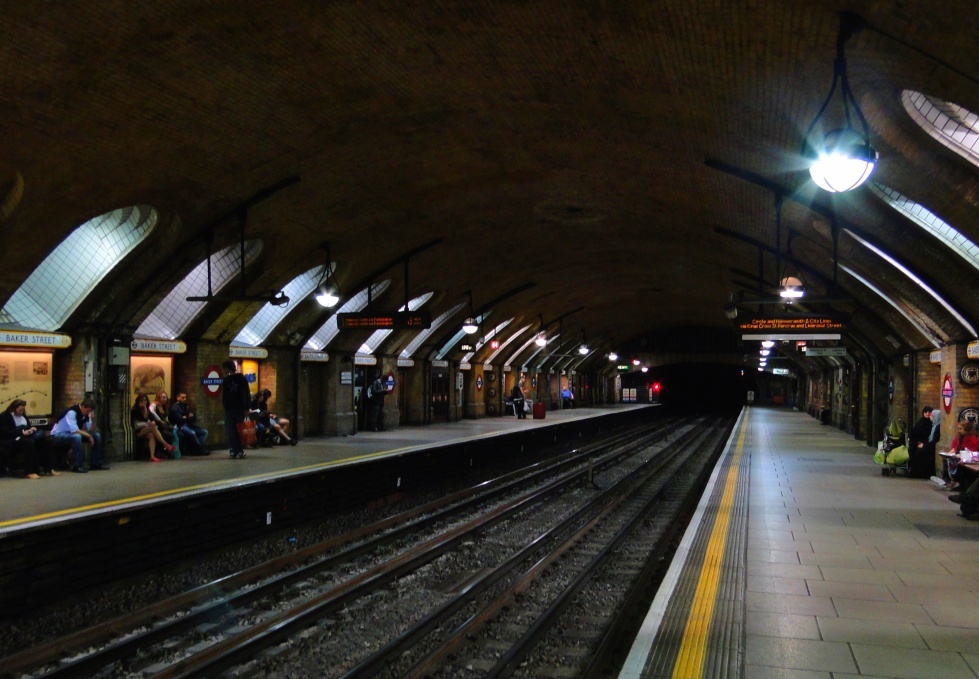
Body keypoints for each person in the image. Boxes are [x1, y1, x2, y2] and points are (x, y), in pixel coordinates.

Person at [0, 400, 58, 478]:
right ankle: (30, 471)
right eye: (20, 410)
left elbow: (27, 426)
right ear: (14, 408)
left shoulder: (23, 415)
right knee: (29, 443)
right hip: (11, 440)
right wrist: (21, 433)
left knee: (46, 441)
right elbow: (5, 433)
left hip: (24, 437)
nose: (21, 412)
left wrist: (31, 429)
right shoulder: (5, 416)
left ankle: (49, 469)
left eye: (23, 410)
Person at [50, 398, 109, 473]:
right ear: (83, 407)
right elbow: (74, 430)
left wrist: (93, 419)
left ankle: (95, 463)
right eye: (88, 411)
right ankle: (77, 465)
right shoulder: (72, 412)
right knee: (77, 437)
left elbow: (91, 430)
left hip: (71, 434)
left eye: (90, 411)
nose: (88, 413)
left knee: (97, 436)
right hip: (58, 435)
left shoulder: (87, 415)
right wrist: (88, 436)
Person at [131, 394, 175, 463]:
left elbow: (151, 418)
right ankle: (166, 445)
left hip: (147, 429)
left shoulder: (148, 410)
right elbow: (144, 419)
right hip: (138, 431)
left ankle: (152, 456)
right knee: (152, 428)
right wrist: (145, 409)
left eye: (145, 400)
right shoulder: (135, 410)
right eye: (142, 400)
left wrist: (153, 421)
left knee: (151, 435)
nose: (144, 402)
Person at [222, 360, 251, 459]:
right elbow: (225, 394)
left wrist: (246, 408)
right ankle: (235, 450)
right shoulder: (226, 380)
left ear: (228, 368)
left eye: (225, 368)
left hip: (239, 408)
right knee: (231, 431)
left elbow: (246, 393)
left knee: (237, 430)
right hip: (230, 408)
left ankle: (238, 450)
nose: (224, 370)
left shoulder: (240, 378)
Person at [942, 420, 979, 491]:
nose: (959, 431)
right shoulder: (959, 437)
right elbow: (955, 448)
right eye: (958, 429)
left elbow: (971, 451)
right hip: (958, 456)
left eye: (961, 429)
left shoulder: (972, 439)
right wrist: (949, 454)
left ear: (967, 430)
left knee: (959, 464)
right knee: (947, 460)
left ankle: (958, 482)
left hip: (969, 459)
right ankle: (950, 480)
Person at [909, 406, 939, 479]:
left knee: (919, 452)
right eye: (926, 412)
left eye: (929, 413)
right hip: (920, 442)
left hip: (926, 444)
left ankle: (917, 473)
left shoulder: (933, 425)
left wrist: (923, 444)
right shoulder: (921, 421)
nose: (928, 414)